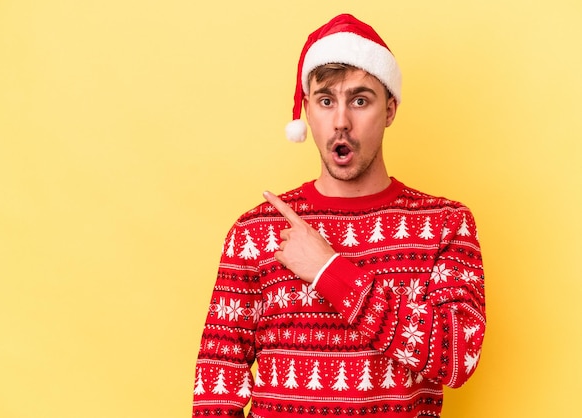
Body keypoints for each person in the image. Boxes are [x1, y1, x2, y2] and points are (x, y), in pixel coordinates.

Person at [192, 13, 485, 418]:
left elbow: (458, 358)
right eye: (326, 101)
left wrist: (330, 271)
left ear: (390, 109)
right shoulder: (255, 232)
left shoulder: (446, 224)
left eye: (360, 100)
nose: (341, 122)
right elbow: (216, 386)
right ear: (307, 111)